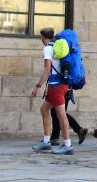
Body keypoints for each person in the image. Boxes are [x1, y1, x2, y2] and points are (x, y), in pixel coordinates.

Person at [30, 27, 74, 155]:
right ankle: (46, 143)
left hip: (56, 86)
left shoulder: (48, 49)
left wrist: (38, 86)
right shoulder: (58, 46)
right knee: (44, 110)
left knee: (61, 115)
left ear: (43, 37)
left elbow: (47, 69)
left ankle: (67, 145)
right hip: (61, 84)